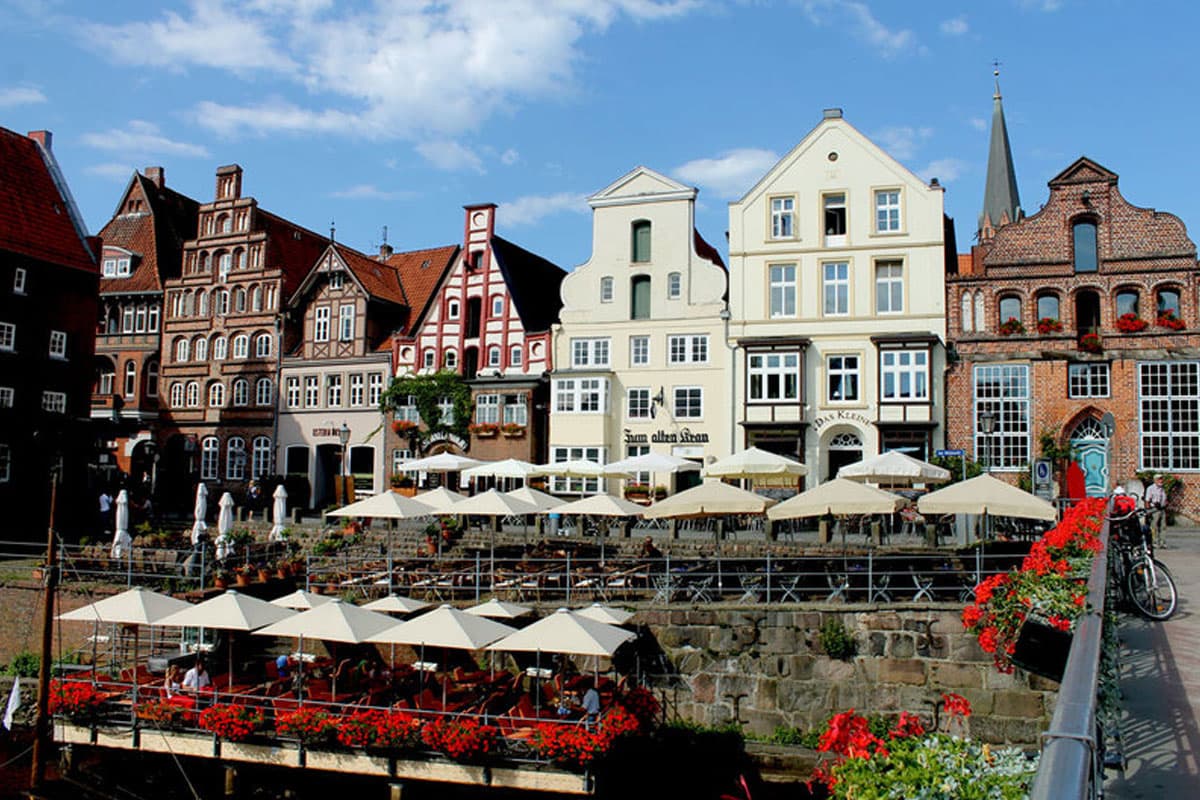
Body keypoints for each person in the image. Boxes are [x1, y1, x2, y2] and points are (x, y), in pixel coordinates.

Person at [1145, 474, 1169, 547]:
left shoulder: (1162, 489)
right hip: (1154, 509)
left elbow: (1165, 499)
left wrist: (1166, 503)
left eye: (1161, 479)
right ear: (1155, 480)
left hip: (1162, 509)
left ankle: (1163, 542)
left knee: (1163, 526)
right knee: (1154, 526)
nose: (1161, 481)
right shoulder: (1150, 488)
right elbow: (1147, 500)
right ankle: (1154, 542)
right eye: (1159, 479)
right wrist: (1148, 511)